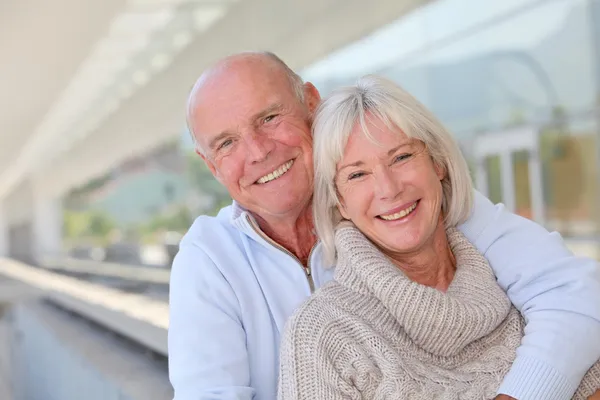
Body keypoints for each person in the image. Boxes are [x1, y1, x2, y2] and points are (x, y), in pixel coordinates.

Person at [168, 51, 600, 400]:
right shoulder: (209, 260)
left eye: (268, 118)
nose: (259, 151)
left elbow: (572, 295)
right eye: (227, 143)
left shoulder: (419, 206)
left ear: (311, 103)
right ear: (210, 166)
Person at [277, 74, 600, 399]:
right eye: (358, 175)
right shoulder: (322, 332)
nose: (389, 189)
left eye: (401, 157)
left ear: (438, 164)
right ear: (339, 201)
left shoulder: (514, 276)